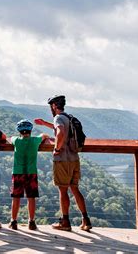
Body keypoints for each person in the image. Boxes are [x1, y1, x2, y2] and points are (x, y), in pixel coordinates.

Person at [34, 95, 92, 232]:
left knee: (63, 190)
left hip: (63, 159)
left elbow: (60, 132)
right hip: (74, 158)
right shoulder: (68, 117)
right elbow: (59, 127)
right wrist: (44, 123)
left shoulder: (58, 118)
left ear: (54, 105)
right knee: (75, 189)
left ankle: (65, 221)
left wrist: (57, 149)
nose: (51, 108)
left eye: (51, 106)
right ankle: (86, 220)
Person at [8, 119, 50, 231]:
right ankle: (31, 222)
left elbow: (10, 138)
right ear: (31, 130)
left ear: (19, 131)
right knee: (31, 198)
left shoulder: (16, 140)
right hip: (31, 172)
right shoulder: (35, 141)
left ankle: (13, 221)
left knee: (16, 197)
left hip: (17, 172)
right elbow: (44, 135)